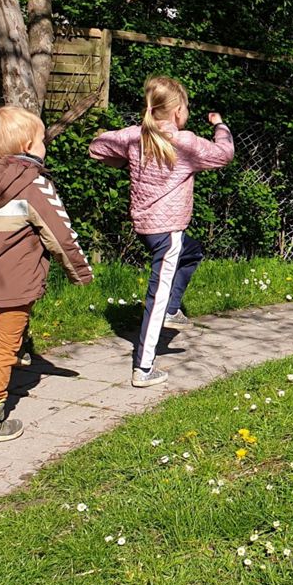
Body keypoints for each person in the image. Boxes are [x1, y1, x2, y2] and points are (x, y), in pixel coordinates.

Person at [0, 106, 94, 447]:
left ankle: (20, 353)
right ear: (28, 146)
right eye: (42, 140)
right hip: (16, 278)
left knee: (10, 332)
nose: (44, 145)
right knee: (1, 347)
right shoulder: (33, 183)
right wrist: (80, 271)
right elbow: (60, 232)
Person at [89, 75, 233, 388]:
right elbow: (224, 154)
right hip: (168, 232)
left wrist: (126, 161)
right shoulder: (185, 143)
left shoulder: (133, 136)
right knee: (156, 296)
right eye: (186, 108)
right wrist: (220, 125)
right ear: (178, 111)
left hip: (146, 227)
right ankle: (143, 368)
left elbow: (97, 148)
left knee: (193, 251)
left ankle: (172, 308)